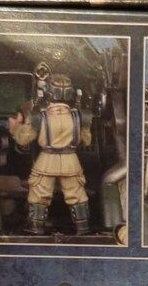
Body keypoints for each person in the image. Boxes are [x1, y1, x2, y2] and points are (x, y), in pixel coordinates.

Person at [8, 73, 92, 235]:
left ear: (48, 93)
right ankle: (83, 228)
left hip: (46, 161)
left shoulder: (38, 117)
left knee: (39, 195)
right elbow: (87, 141)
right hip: (71, 162)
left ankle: (35, 228)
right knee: (77, 195)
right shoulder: (80, 116)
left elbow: (23, 140)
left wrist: (15, 128)